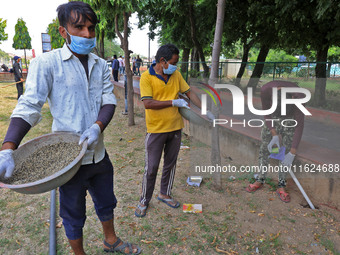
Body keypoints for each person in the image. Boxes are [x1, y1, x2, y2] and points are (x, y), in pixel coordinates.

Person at [0, 2, 141, 254]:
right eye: (79, 27)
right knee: (73, 213)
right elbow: (29, 106)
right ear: (63, 31)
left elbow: (108, 101)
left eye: (91, 28)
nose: (87, 34)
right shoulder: (47, 63)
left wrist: (98, 127)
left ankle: (110, 240)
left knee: (106, 202)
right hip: (66, 162)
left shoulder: (101, 65)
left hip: (97, 153)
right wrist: (8, 148)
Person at [135, 44, 201, 217]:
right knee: (152, 167)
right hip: (156, 130)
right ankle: (144, 200)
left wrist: (204, 109)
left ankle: (164, 193)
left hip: (175, 128)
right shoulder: (146, 77)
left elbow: (188, 92)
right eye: (173, 62)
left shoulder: (175, 74)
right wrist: (173, 102)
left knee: (170, 164)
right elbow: (148, 103)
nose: (175, 66)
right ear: (162, 61)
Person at [245, 80, 305, 203]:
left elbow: (299, 125)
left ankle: (281, 185)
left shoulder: (299, 97)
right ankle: (260, 179)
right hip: (272, 115)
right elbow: (267, 114)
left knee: (288, 148)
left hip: (291, 118)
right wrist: (274, 134)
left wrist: (292, 152)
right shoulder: (266, 91)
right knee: (266, 146)